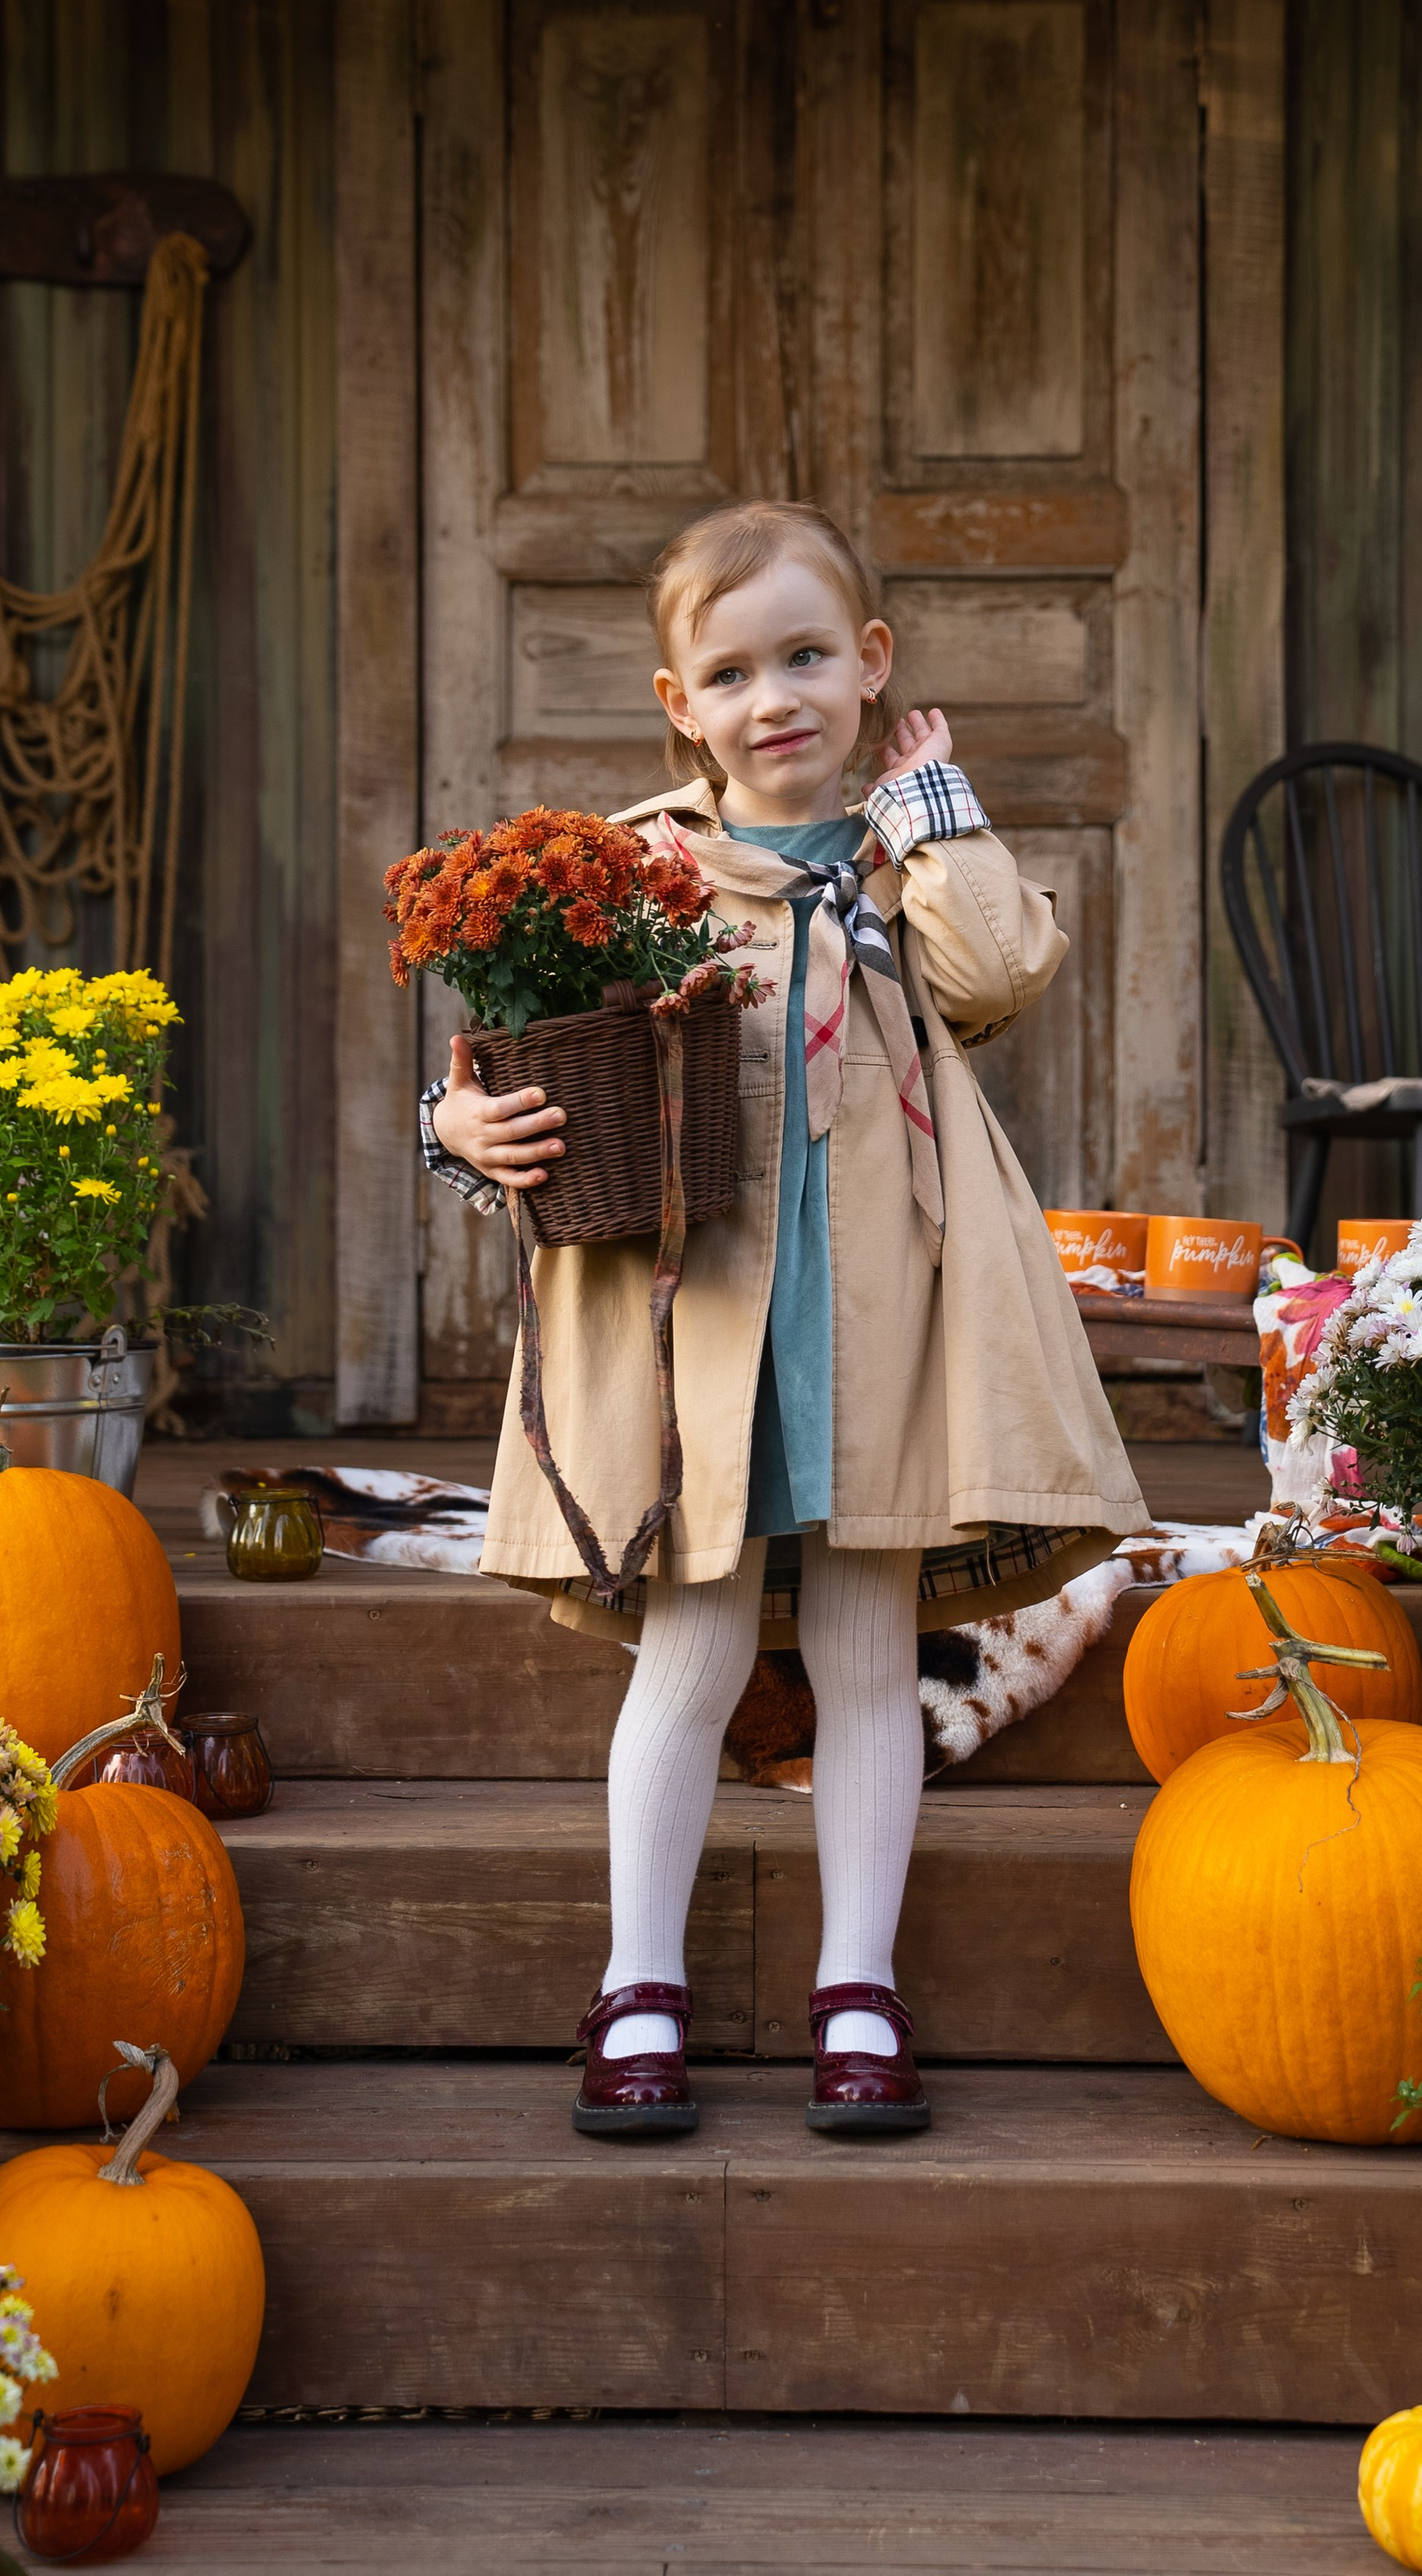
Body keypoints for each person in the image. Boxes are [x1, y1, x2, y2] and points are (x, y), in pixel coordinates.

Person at [421, 500, 1146, 2137]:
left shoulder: (908, 860)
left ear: (870, 666)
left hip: (881, 1320)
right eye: (733, 673)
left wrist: (930, 810)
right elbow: (513, 1060)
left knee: (864, 1653)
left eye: (808, 657)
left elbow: (997, 967)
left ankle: (859, 1988)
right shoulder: (633, 871)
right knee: (685, 1655)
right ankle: (636, 1984)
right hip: (704, 1319)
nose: (776, 700)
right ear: (680, 702)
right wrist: (453, 1134)